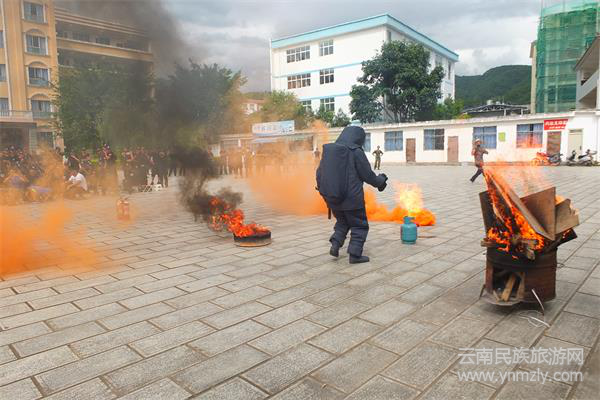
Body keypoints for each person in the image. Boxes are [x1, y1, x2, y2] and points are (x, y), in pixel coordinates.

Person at [316, 126, 388, 264]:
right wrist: (380, 181)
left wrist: (325, 193)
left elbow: (319, 174)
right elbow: (367, 175)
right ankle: (355, 255)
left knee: (342, 222)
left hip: (333, 198)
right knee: (359, 225)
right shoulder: (356, 152)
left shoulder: (330, 152)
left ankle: (335, 245)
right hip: (352, 200)